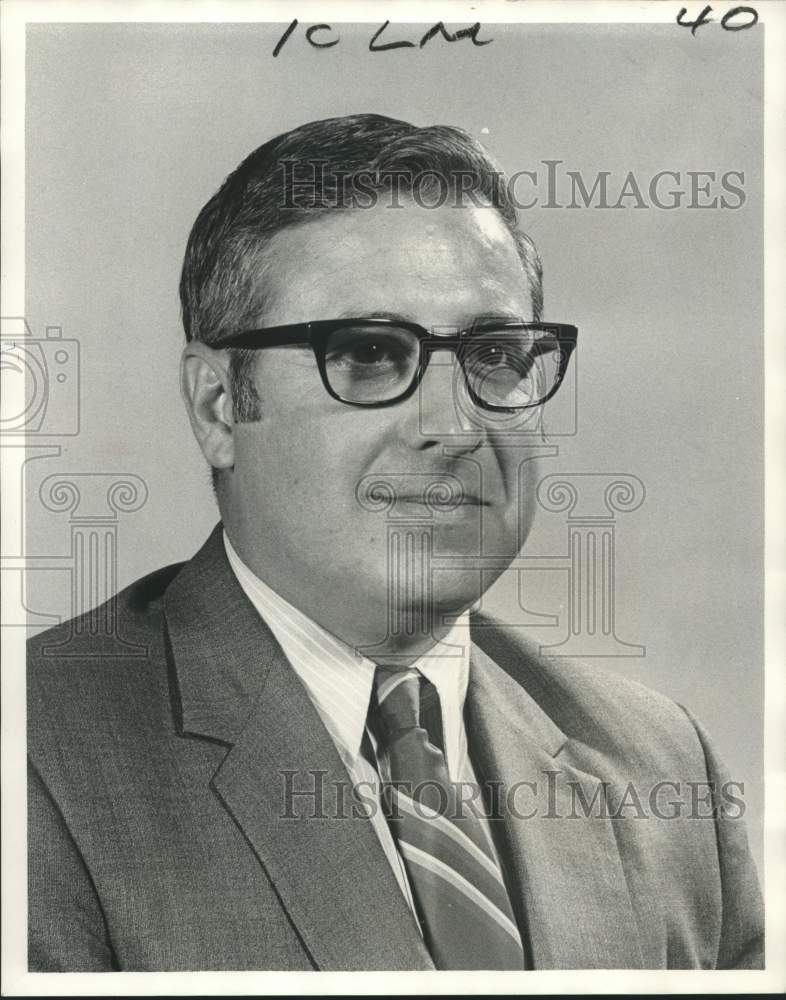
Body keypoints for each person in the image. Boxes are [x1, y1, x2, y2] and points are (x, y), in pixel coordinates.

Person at [27, 113, 764, 971]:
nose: (455, 425)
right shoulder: (36, 758)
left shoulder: (663, 766)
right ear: (219, 405)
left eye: (493, 353)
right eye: (370, 354)